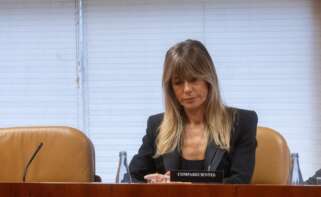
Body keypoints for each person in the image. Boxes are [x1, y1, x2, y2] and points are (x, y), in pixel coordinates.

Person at [129, 39, 258, 184]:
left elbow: (239, 183)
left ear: (208, 79)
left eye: (194, 79)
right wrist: (153, 184)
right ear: (170, 88)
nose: (187, 89)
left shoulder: (241, 122)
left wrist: (186, 185)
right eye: (178, 82)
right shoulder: (157, 125)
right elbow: (133, 176)